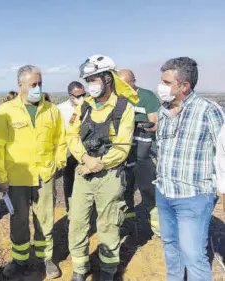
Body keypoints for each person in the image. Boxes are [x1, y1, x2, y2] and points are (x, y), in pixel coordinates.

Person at [0, 65, 66, 279]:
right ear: (21, 85)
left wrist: (58, 162)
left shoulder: (52, 110)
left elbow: (61, 139)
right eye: (33, 84)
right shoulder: (5, 111)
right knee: (19, 221)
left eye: (40, 83)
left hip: (44, 175)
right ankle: (19, 260)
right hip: (17, 178)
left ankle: (46, 258)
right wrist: (0, 177)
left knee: (45, 218)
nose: (38, 88)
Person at [66, 55, 137, 281]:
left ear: (108, 78)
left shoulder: (124, 108)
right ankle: (80, 268)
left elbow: (123, 147)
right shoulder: (84, 105)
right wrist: (85, 158)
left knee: (108, 224)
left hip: (110, 175)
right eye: (88, 80)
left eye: (94, 79)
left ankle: (107, 272)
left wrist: (98, 164)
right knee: (77, 221)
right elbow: (71, 135)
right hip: (83, 172)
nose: (90, 85)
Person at [155, 57, 224, 281]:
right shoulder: (164, 110)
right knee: (171, 246)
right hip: (164, 192)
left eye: (166, 82)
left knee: (193, 255)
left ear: (184, 86)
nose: (161, 86)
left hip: (194, 196)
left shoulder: (208, 111)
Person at [118, 69, 161, 237]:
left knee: (148, 189)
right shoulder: (119, 98)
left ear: (133, 81)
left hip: (146, 153)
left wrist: (139, 125)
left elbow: (156, 124)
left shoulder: (147, 97)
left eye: (126, 84)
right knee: (125, 189)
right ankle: (129, 225)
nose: (123, 88)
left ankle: (158, 229)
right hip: (125, 152)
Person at [57, 81, 86, 213]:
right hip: (69, 151)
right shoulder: (60, 109)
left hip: (86, 150)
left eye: (84, 94)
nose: (82, 98)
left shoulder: (90, 106)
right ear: (70, 95)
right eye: (78, 96)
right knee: (69, 179)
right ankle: (71, 210)